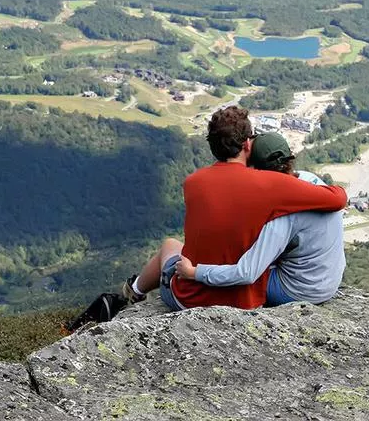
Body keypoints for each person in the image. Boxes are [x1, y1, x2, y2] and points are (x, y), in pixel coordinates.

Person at [120, 106, 347, 311]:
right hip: (246, 299)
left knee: (170, 245)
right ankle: (134, 290)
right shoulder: (270, 185)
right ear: (247, 144)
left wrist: (193, 272)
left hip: (192, 295)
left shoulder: (192, 182)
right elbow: (337, 199)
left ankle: (133, 292)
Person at [174, 132, 345, 305]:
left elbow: (246, 273)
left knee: (240, 271)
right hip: (329, 281)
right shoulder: (309, 180)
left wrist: (194, 272)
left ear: (257, 170)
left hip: (298, 291)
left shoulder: (282, 216)